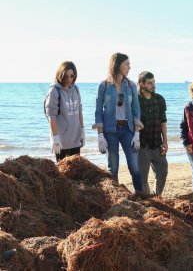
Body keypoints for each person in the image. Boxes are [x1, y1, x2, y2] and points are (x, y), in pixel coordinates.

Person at [93, 53, 143, 192]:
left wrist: (137, 134)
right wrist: (100, 135)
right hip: (110, 131)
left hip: (128, 130)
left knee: (134, 166)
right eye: (126, 64)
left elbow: (136, 111)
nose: (129, 67)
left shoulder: (131, 85)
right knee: (113, 168)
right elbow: (98, 112)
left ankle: (141, 196)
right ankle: (116, 200)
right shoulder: (103, 85)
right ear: (117, 65)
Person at [45, 61, 85, 162]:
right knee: (63, 174)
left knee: (76, 172)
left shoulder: (76, 89)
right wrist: (55, 138)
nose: (69, 79)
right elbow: (51, 116)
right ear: (60, 75)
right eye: (66, 76)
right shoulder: (54, 91)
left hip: (75, 139)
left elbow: (79, 111)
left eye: (72, 76)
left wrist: (82, 130)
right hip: (61, 142)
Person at [138, 71, 168, 195]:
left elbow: (163, 121)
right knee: (142, 178)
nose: (153, 85)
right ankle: (147, 199)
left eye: (154, 82)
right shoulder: (136, 101)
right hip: (142, 146)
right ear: (142, 84)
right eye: (150, 83)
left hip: (157, 144)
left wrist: (165, 142)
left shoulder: (159, 99)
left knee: (162, 172)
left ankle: (157, 196)